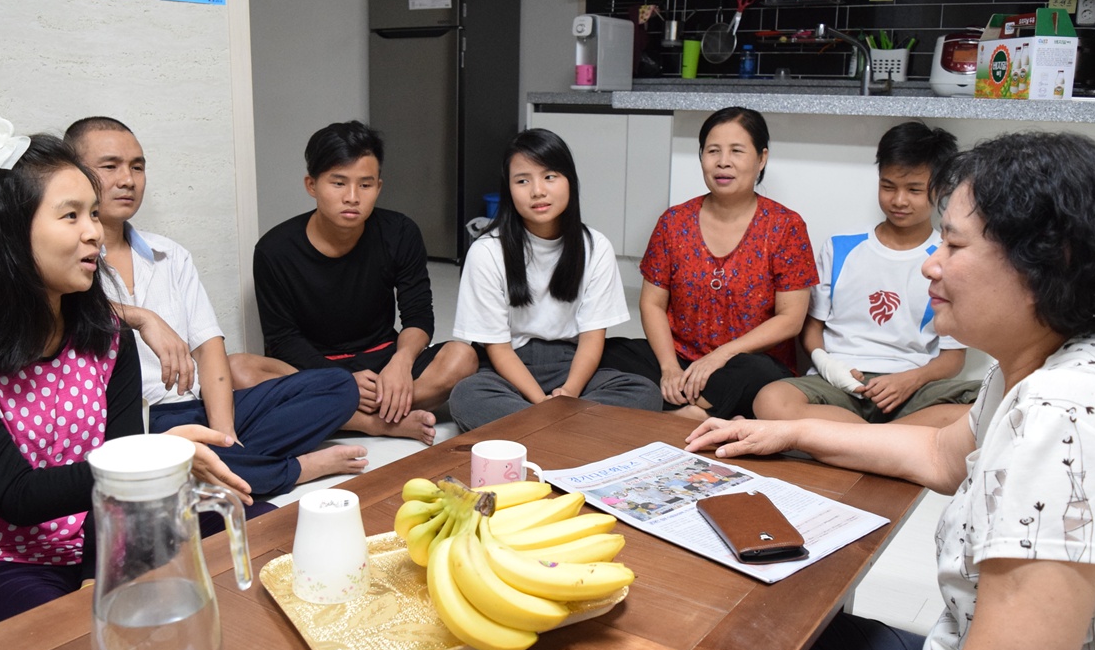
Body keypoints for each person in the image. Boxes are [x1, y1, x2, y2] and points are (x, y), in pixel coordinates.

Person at [685, 131, 1095, 650]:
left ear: (1055, 260)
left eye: (956, 244)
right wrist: (784, 434)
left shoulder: (1067, 410)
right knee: (774, 641)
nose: (932, 262)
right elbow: (941, 451)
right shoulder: (1054, 355)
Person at [0, 106, 246, 646]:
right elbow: (16, 495)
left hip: (97, 533)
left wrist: (97, 573)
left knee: (248, 527)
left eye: (93, 214)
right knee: (66, 641)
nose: (94, 234)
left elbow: (117, 491)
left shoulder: (109, 339)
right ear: (9, 233)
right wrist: (155, 458)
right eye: (71, 216)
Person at [65, 117, 368, 494]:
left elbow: (210, 351)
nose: (127, 179)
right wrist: (141, 317)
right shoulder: (65, 256)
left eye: (138, 166)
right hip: (130, 424)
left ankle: (213, 464)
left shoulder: (170, 256)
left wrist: (224, 434)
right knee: (136, 455)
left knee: (337, 386)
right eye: (110, 166)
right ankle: (292, 470)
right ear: (74, 175)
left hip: (191, 409)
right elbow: (53, 311)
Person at [251, 121, 478, 444]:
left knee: (463, 357)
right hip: (313, 369)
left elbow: (418, 316)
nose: (353, 197)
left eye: (365, 185)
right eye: (339, 183)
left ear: (379, 187)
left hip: (384, 362)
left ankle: (339, 415)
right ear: (311, 185)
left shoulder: (399, 232)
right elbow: (283, 338)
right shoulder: (275, 249)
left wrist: (401, 362)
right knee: (237, 371)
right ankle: (377, 424)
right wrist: (341, 381)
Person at [753, 121, 979, 428]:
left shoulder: (948, 258)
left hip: (914, 388)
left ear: (940, 190)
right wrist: (829, 366)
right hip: (840, 384)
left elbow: (953, 358)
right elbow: (811, 329)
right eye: (888, 186)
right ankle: (881, 441)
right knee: (770, 400)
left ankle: (849, 439)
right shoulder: (840, 247)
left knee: (985, 408)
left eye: (914, 190)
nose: (899, 200)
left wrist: (910, 380)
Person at [601, 106, 817, 421]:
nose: (723, 161)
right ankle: (698, 408)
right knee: (606, 353)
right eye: (712, 151)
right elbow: (651, 304)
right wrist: (669, 368)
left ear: (761, 159)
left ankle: (674, 410)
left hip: (742, 363)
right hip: (680, 359)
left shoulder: (786, 226)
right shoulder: (674, 221)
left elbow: (791, 320)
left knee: (762, 375)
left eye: (737, 151)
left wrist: (719, 357)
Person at [448, 129, 660, 430]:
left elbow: (591, 339)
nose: (537, 191)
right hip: (510, 368)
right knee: (467, 397)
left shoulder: (595, 246)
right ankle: (572, 433)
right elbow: (499, 348)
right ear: (508, 190)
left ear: (569, 181)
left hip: (572, 366)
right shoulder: (487, 251)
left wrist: (569, 395)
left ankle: (536, 435)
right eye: (523, 180)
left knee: (644, 393)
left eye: (549, 177)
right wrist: (542, 404)